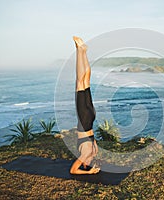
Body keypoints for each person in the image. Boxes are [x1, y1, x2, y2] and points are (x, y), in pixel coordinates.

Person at [70, 36, 100, 175]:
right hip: (84, 119)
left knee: (87, 80)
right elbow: (73, 171)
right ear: (85, 164)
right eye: (85, 164)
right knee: (80, 81)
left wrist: (92, 166)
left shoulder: (94, 151)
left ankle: (83, 52)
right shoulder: (86, 154)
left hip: (91, 116)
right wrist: (89, 173)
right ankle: (79, 51)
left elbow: (93, 154)